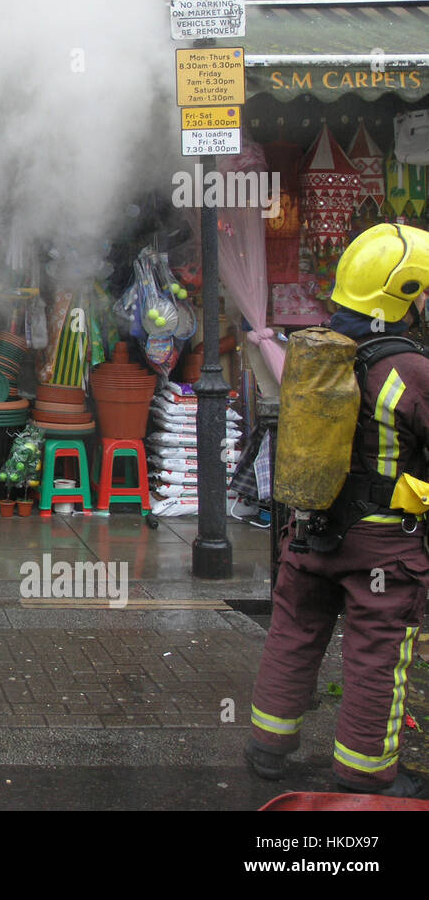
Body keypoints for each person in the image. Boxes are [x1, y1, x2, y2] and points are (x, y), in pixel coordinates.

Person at [248, 223, 429, 799]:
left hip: (307, 536)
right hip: (382, 548)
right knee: (377, 652)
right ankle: (366, 772)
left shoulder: (317, 351)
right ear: (402, 293)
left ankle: (267, 746)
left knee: (293, 634)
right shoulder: (410, 371)